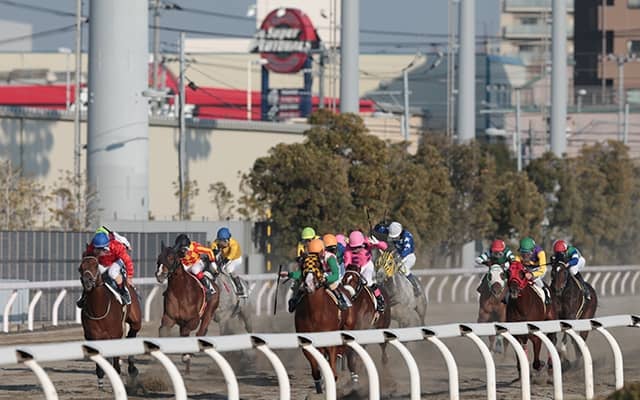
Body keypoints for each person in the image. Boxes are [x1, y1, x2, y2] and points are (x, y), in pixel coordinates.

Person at [281, 238, 350, 311]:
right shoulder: (310, 259)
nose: (314, 257)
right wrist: (289, 274)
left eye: (316, 254)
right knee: (303, 286)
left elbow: (335, 275)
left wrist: (326, 279)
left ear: (322, 251)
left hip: (330, 276)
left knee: (332, 286)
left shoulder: (330, 258)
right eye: (312, 254)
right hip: (318, 276)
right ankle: (295, 300)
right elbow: (303, 273)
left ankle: (341, 300)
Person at [77, 231, 134, 307]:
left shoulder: (116, 247)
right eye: (96, 249)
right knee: (92, 275)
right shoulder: (92, 247)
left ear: (106, 247)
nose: (97, 252)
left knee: (112, 272)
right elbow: (87, 256)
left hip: (116, 261)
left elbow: (128, 261)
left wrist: (129, 276)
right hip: (102, 263)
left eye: (100, 249)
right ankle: (84, 296)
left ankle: (123, 291)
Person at [343, 230, 388, 312]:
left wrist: (378, 243)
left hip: (367, 265)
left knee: (368, 282)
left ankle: (379, 298)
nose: (356, 249)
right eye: (354, 247)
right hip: (355, 268)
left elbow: (385, 247)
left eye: (358, 247)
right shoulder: (347, 249)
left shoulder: (367, 242)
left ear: (362, 243)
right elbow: (347, 263)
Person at [173, 233, 216, 298]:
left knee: (194, 270)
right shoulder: (177, 249)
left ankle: (208, 288)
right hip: (185, 265)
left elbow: (209, 251)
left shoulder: (195, 247)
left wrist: (212, 261)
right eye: (180, 249)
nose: (182, 251)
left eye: (183, 249)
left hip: (196, 263)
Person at [387, 221, 422, 297]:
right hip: (398, 256)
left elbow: (407, 250)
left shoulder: (407, 236)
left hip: (409, 257)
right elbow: (381, 229)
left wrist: (399, 257)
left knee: (403, 268)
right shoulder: (393, 230)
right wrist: (380, 226)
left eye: (395, 237)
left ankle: (416, 286)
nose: (394, 239)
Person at [211, 227, 247, 298]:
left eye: (223, 241)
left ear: (228, 240)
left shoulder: (234, 244)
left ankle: (239, 287)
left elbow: (230, 257)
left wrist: (221, 264)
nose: (221, 243)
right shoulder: (216, 242)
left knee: (228, 269)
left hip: (235, 259)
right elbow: (212, 249)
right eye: (220, 241)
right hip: (224, 257)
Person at [516, 236, 551, 305]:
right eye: (523, 253)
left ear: (533, 250)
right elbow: (516, 266)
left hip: (538, 269)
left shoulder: (541, 253)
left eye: (528, 253)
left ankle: (546, 293)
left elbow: (543, 269)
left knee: (535, 278)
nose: (525, 256)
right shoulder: (518, 254)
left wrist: (532, 274)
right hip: (526, 269)